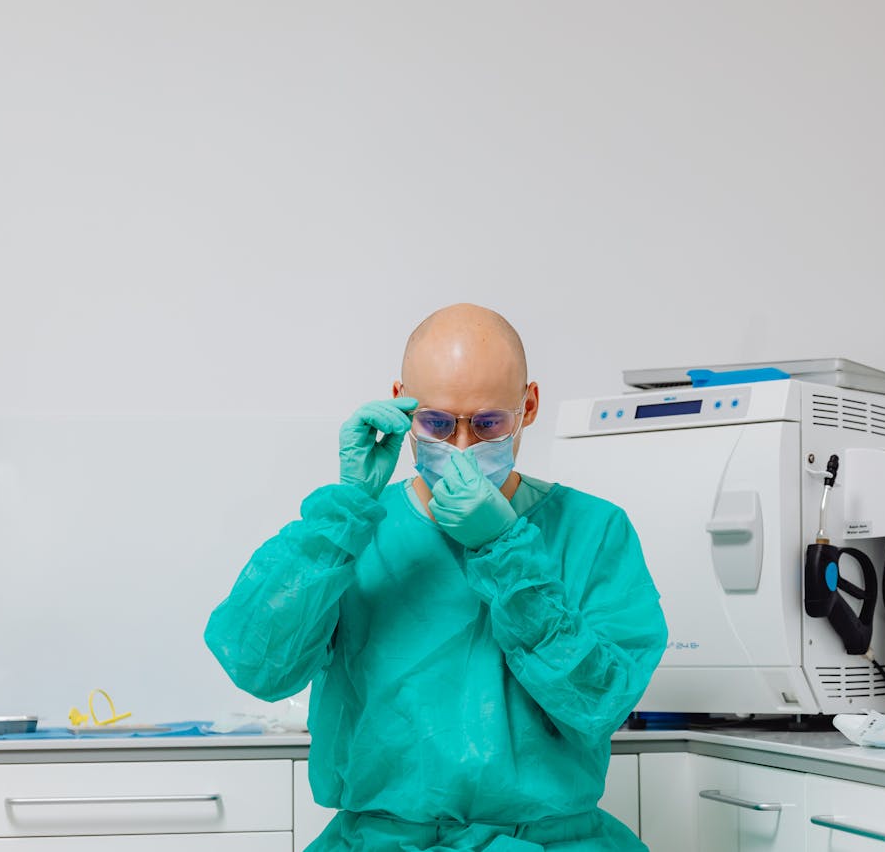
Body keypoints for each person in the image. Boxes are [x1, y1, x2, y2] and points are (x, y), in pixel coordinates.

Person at [205, 303, 668, 851]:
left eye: (490, 423)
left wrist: (505, 549)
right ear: (402, 404)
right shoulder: (353, 535)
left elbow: (601, 700)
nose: (465, 448)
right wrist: (346, 511)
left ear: (530, 405)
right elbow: (258, 665)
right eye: (439, 424)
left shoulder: (593, 530)